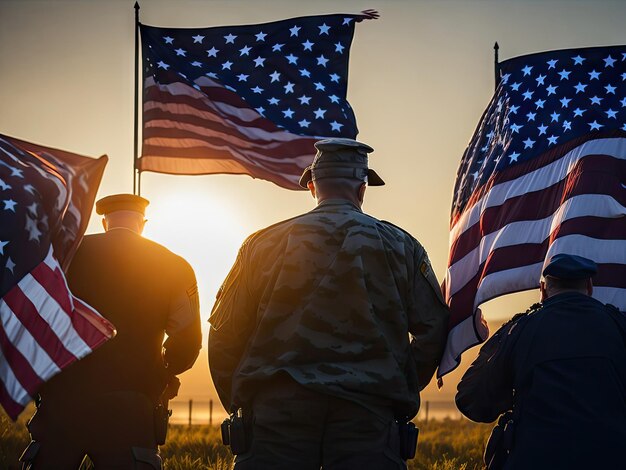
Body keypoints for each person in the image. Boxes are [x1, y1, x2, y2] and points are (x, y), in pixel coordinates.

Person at [209, 138, 450, 469]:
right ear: (362, 188)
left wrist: (242, 403)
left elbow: (224, 335)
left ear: (312, 185)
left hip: (276, 417)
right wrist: (395, 383)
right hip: (368, 417)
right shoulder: (402, 247)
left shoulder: (261, 245)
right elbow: (433, 330)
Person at [20, 194, 202, 470]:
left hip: (61, 402)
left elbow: (32, 322)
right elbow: (187, 344)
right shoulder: (175, 266)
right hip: (131, 407)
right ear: (143, 223)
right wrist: (165, 373)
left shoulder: (61, 256)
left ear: (104, 222)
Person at [456, 253, 626, 470]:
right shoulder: (618, 326)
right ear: (590, 287)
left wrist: (492, 346)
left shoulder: (521, 331)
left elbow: (471, 400)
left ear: (543, 290)